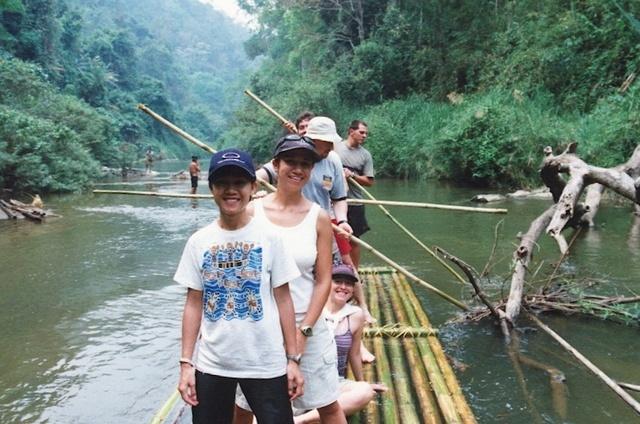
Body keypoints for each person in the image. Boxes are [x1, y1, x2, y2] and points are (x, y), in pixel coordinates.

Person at [174, 148, 304, 424]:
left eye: (239, 183)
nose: (231, 190)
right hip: (212, 363)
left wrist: (293, 359)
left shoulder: (270, 238)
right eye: (223, 183)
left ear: (253, 188)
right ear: (212, 189)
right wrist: (186, 364)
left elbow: (284, 299)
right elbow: (193, 303)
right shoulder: (199, 241)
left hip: (265, 362)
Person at [235, 135, 347, 423]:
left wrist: (304, 332)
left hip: (307, 323)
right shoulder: (251, 212)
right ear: (276, 164)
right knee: (245, 407)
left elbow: (323, 280)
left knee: (328, 404)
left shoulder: (319, 217)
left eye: (305, 164)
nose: (298, 169)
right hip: (260, 328)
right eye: (291, 162)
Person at [293, 264, 387, 424]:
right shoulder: (311, 310)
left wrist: (361, 382)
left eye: (349, 283)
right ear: (326, 283)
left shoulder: (356, 315)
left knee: (365, 391)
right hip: (303, 379)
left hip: (334, 381)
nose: (343, 287)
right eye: (338, 281)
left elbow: (355, 353)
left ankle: (300, 420)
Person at [334, 120, 374, 269]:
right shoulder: (335, 148)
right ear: (351, 131)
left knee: (354, 239)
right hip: (335, 201)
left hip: (355, 202)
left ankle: (354, 273)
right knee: (334, 238)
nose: (364, 136)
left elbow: (369, 181)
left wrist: (353, 176)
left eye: (366, 134)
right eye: (361, 132)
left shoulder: (365, 155)